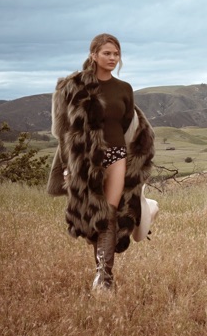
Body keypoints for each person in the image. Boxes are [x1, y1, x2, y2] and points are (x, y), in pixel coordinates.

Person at [47, 33, 155, 291]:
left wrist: (137, 157)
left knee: (109, 212)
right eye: (107, 53)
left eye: (116, 54)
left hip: (117, 155)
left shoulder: (124, 89)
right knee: (92, 218)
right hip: (84, 161)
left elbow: (129, 123)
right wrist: (66, 167)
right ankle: (102, 272)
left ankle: (103, 278)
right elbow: (62, 131)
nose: (112, 58)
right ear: (93, 54)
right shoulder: (72, 87)